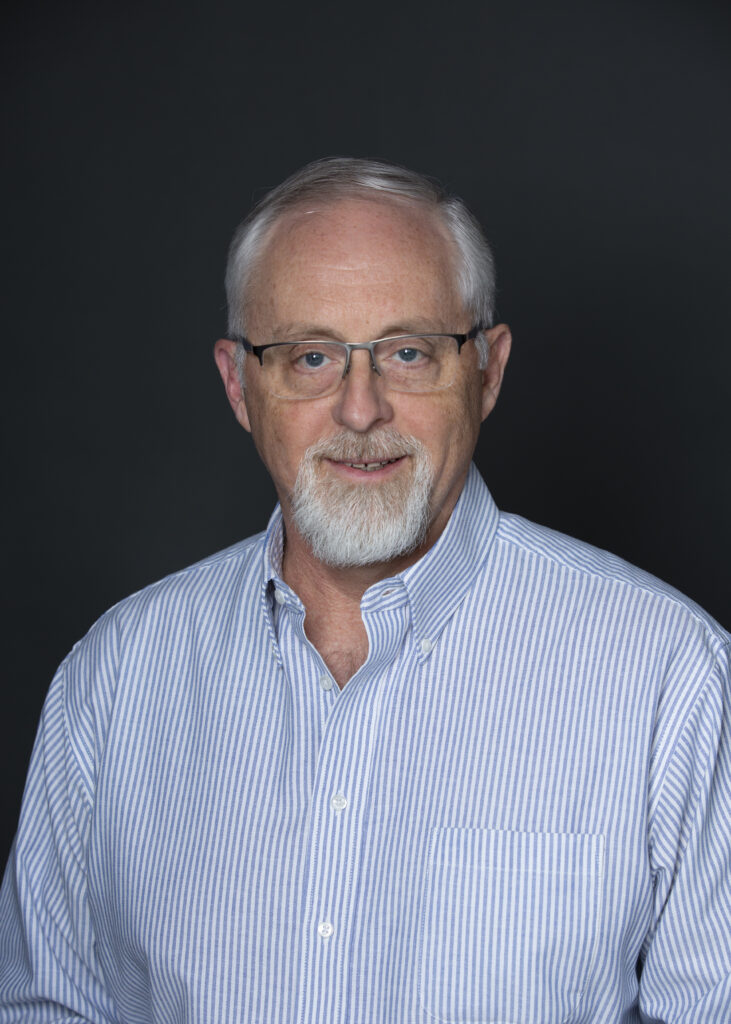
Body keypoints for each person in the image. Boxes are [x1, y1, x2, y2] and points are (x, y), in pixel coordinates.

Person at [1, 157, 729, 1023]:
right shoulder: (114, 680)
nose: (359, 410)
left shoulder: (669, 677)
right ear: (239, 384)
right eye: (310, 357)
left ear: (486, 372)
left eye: (407, 352)